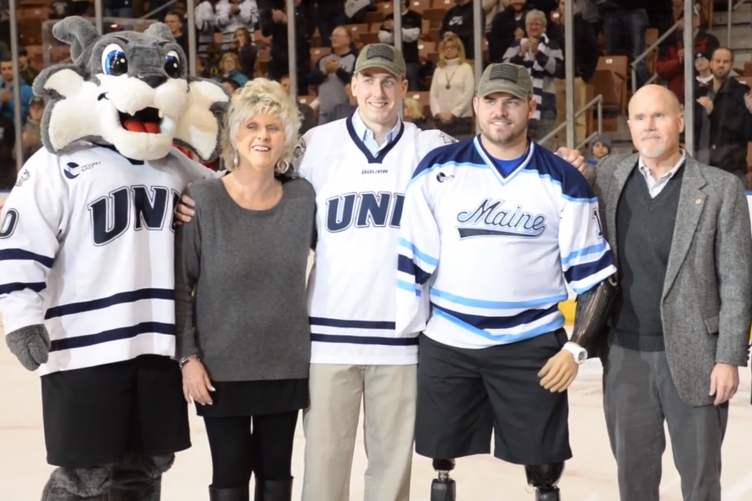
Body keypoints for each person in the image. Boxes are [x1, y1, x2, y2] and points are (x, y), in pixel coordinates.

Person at [175, 45, 588, 501]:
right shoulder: (316, 145)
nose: (378, 91)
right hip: (329, 340)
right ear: (352, 88)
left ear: (405, 90)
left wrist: (567, 161)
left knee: (390, 473)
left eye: (389, 81)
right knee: (323, 470)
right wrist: (197, 191)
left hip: (401, 341)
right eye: (368, 80)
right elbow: (255, 175)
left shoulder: (433, 149)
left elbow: (500, 155)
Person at [0, 16, 230, 501]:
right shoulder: (56, 164)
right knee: (83, 479)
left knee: (144, 472)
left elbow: (234, 191)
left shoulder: (174, 162)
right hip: (81, 350)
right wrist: (21, 319)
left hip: (155, 345)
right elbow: (20, 246)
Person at [395, 62, 617, 501]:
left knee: (544, 468)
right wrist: (412, 336)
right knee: (441, 463)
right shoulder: (438, 169)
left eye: (512, 101)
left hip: (531, 344)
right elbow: (411, 263)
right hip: (449, 341)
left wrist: (575, 348)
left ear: (531, 107)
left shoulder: (562, 179)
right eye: (492, 100)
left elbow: (597, 277)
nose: (501, 110)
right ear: (476, 106)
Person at [583, 84, 752, 501]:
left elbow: (736, 280)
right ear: (629, 127)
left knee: (700, 483)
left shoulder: (720, 188)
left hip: (696, 357)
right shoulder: (609, 176)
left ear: (680, 121)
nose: (649, 126)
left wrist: (729, 357)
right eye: (640, 118)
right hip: (624, 356)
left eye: (659, 116)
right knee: (634, 481)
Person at [174, 78, 314, 501]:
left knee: (276, 475)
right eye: (252, 126)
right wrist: (188, 357)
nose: (263, 136)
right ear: (234, 134)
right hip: (221, 370)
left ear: (286, 137)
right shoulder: (202, 199)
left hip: (285, 364)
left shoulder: (303, 198)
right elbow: (183, 286)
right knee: (230, 476)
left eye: (273, 127)